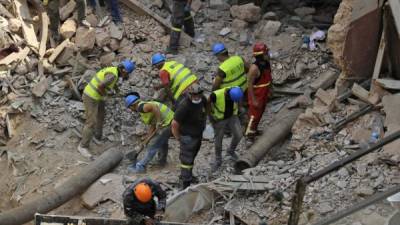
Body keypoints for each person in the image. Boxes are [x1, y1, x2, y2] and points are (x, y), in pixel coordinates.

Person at [78, 60, 135, 158]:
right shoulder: (113, 75)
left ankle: (96, 137)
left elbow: (112, 83)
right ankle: (83, 146)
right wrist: (104, 95)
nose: (127, 76)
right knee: (91, 122)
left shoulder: (115, 71)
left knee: (101, 115)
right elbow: (101, 85)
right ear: (124, 71)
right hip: (90, 96)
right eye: (128, 74)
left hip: (97, 96)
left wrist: (118, 92)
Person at [124, 92, 174, 173]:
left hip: (169, 123)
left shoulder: (141, 107)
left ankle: (141, 167)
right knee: (162, 142)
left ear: (133, 105)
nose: (131, 110)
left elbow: (154, 107)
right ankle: (161, 162)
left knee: (154, 145)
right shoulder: (143, 108)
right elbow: (152, 126)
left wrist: (159, 121)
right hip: (170, 122)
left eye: (130, 108)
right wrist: (146, 140)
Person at [171, 83, 206, 189]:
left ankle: (188, 176)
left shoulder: (202, 99)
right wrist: (179, 138)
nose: (197, 97)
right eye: (194, 95)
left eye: (198, 94)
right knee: (187, 160)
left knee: (192, 157)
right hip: (187, 136)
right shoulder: (184, 106)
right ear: (190, 94)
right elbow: (174, 124)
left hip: (197, 134)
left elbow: (205, 108)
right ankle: (185, 183)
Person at [208, 87, 244, 172]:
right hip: (220, 119)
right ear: (227, 96)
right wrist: (210, 116)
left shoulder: (236, 91)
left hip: (232, 116)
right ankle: (218, 159)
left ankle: (231, 151)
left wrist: (240, 108)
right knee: (218, 140)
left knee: (239, 135)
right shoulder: (216, 95)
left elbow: (239, 101)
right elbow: (208, 103)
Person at [246, 42, 273, 136]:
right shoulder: (254, 69)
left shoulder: (266, 63)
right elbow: (249, 84)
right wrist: (253, 100)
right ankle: (249, 135)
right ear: (260, 56)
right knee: (254, 116)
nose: (268, 55)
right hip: (257, 94)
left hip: (264, 93)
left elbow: (269, 77)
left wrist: (270, 89)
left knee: (260, 113)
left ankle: (254, 130)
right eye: (266, 53)